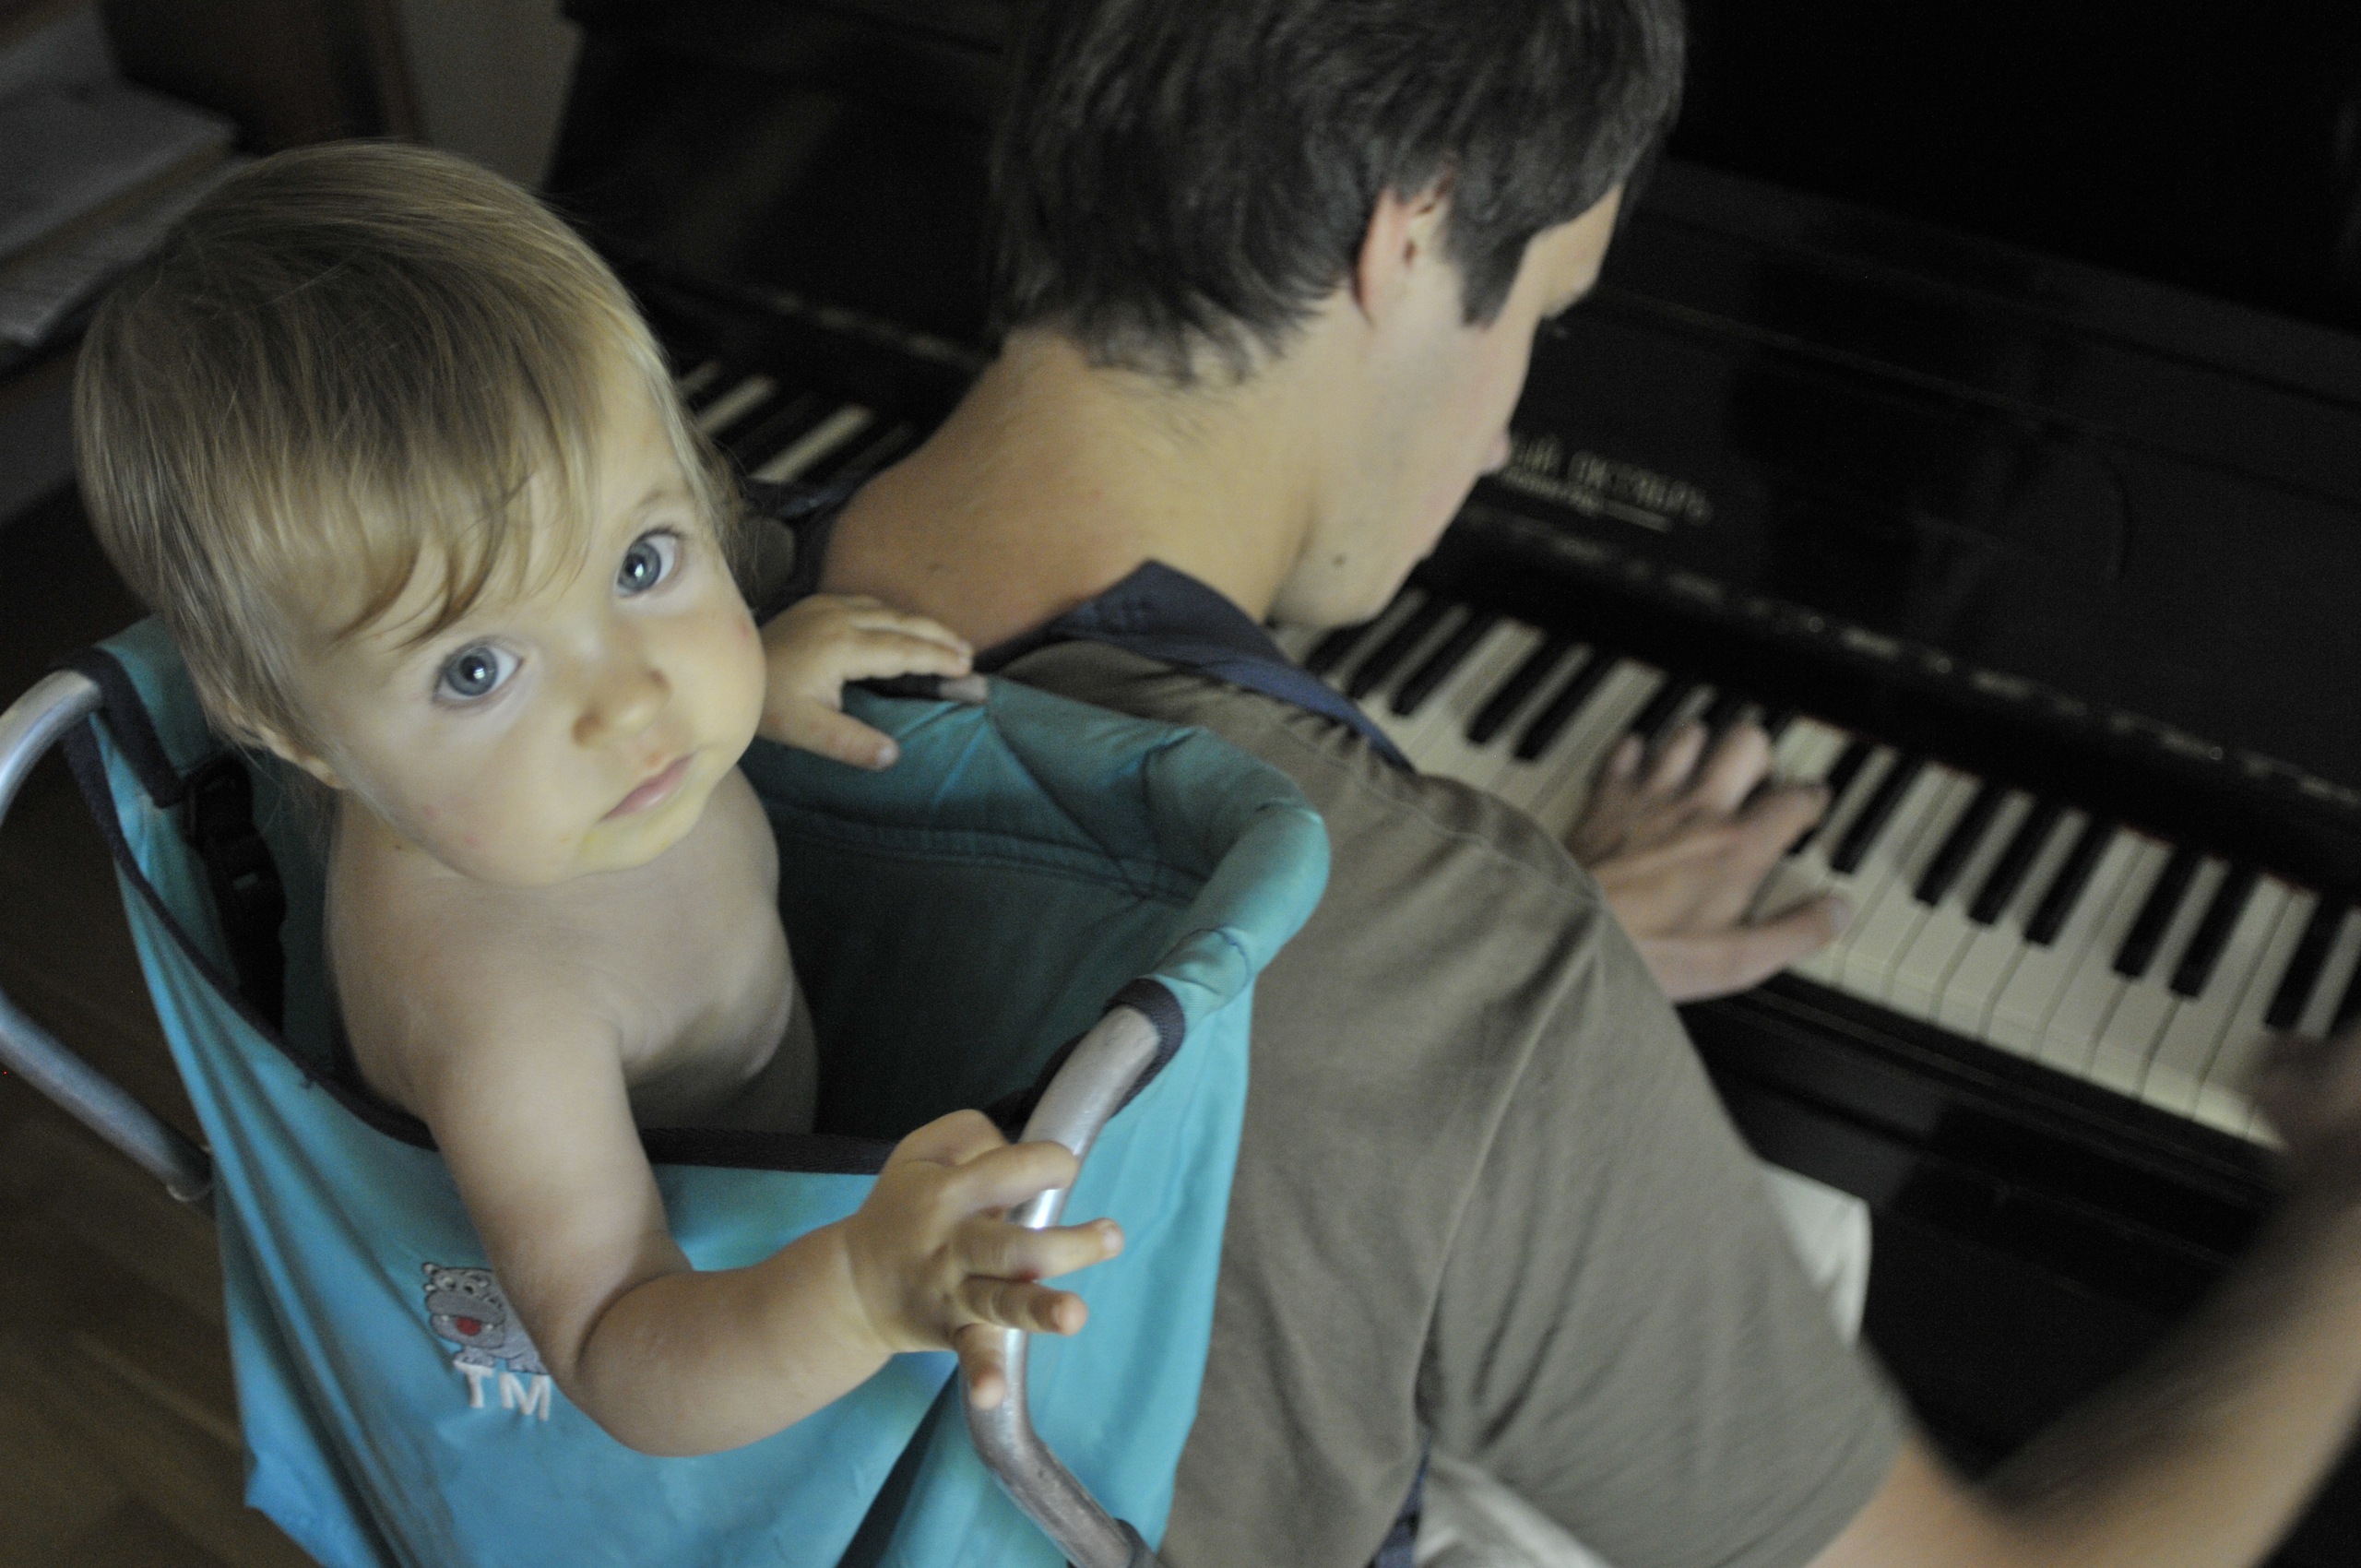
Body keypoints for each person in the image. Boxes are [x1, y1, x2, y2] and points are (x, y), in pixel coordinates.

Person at [803, 1, 2361, 1564]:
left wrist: (1472, 1032)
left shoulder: (699, 607)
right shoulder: (1460, 964)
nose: (1504, 445)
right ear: (1410, 233)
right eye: (1548, 317)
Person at [69, 143, 1123, 1455]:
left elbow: (621, 695)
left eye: (640, 562)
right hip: (727, 1332)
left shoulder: (556, 785)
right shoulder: (504, 1013)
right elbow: (615, 1351)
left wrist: (757, 672)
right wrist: (855, 1292)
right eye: (476, 669)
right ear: (295, 732)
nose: (632, 704)